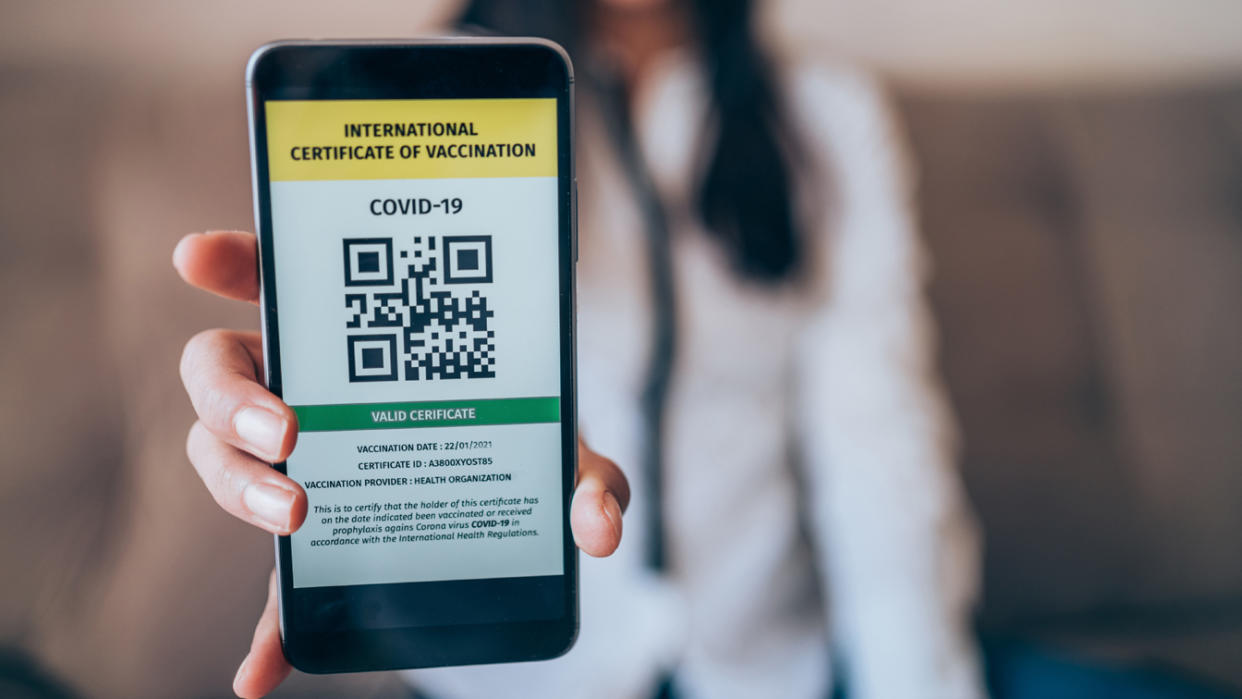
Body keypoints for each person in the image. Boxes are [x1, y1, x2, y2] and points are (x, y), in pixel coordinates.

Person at [176, 0, 984, 697]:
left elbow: (879, 450)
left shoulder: (827, 118)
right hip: (506, 674)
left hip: (770, 665)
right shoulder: (414, 103)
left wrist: (914, 679)